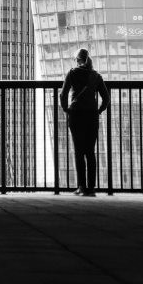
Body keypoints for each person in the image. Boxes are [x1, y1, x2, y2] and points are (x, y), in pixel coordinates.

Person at [59, 47, 110, 197]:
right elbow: (106, 98)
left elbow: (63, 94)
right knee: (90, 152)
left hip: (76, 115)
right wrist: (99, 110)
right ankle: (91, 188)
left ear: (78, 60)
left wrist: (66, 108)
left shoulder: (72, 73)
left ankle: (81, 187)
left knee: (79, 151)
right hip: (91, 116)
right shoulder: (96, 76)